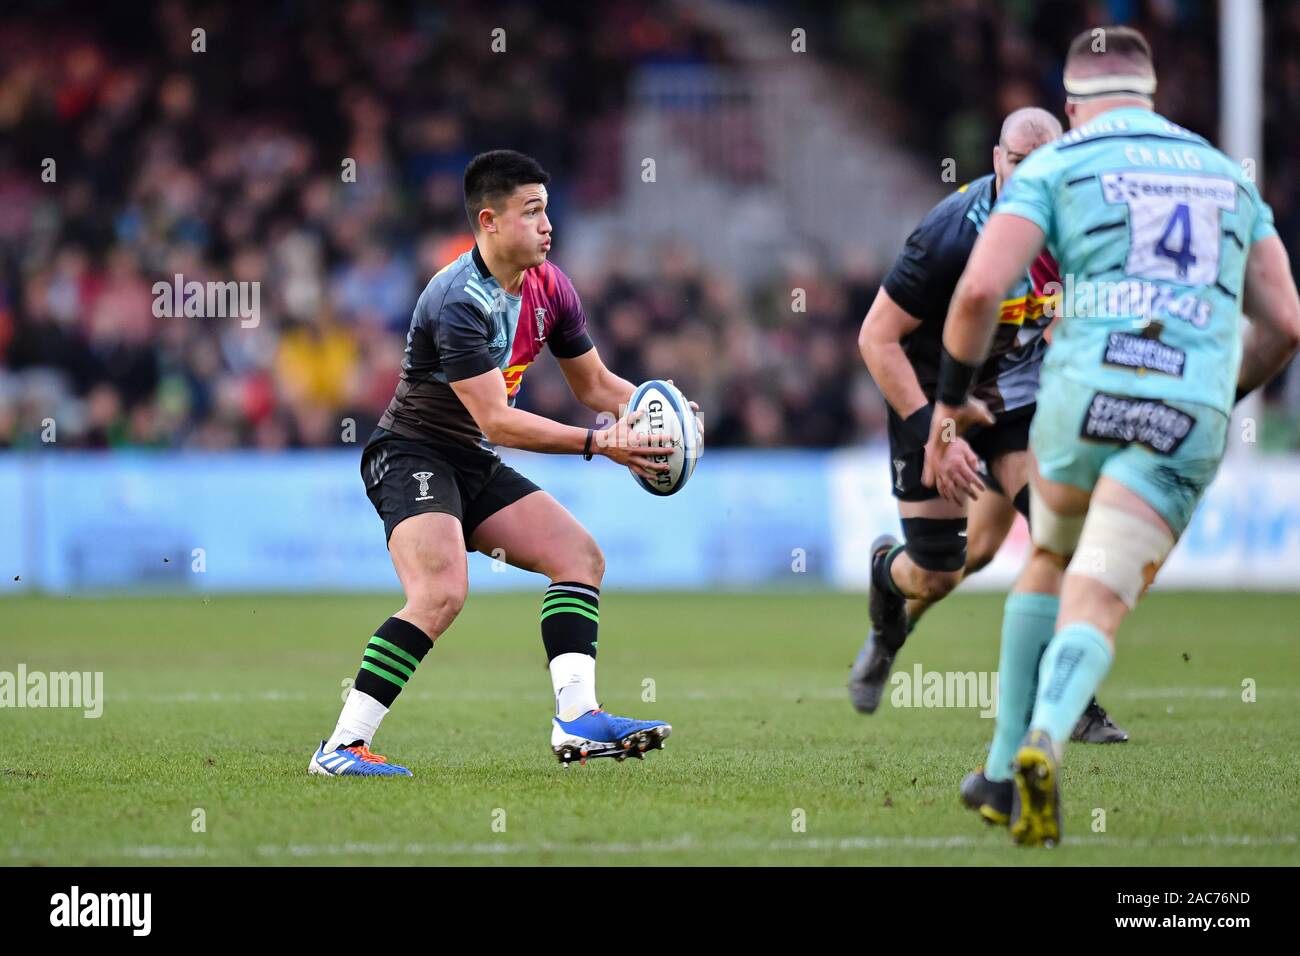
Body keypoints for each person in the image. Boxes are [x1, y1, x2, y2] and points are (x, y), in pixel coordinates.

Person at [927, 27, 1300, 844]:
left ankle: (997, 769)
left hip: (1082, 395)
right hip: (1181, 408)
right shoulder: (1217, 170)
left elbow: (981, 288)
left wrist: (950, 407)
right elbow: (1283, 322)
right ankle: (1046, 740)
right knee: (1097, 597)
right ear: (1153, 95)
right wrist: (1218, 391)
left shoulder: (1058, 162)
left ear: (1072, 107)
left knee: (1049, 560)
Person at [310, 150, 695, 776]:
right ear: (489, 221)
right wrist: (601, 444)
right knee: (440, 592)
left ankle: (578, 719)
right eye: (532, 212)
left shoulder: (552, 286)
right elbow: (496, 419)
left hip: (470, 459)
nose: (548, 225)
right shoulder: (456, 300)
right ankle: (340, 747)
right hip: (413, 453)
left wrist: (664, 410)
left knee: (579, 558)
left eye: (548, 211)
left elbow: (595, 384)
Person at [849, 107, 1127, 747]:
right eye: (1017, 163)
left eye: (1045, 165)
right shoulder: (949, 235)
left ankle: (1069, 699)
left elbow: (1074, 314)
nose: (1031, 177)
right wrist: (934, 435)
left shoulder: (1085, 220)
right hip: (930, 396)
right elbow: (877, 337)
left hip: (1021, 396)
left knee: (1060, 535)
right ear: (996, 160)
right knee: (942, 570)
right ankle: (886, 583)